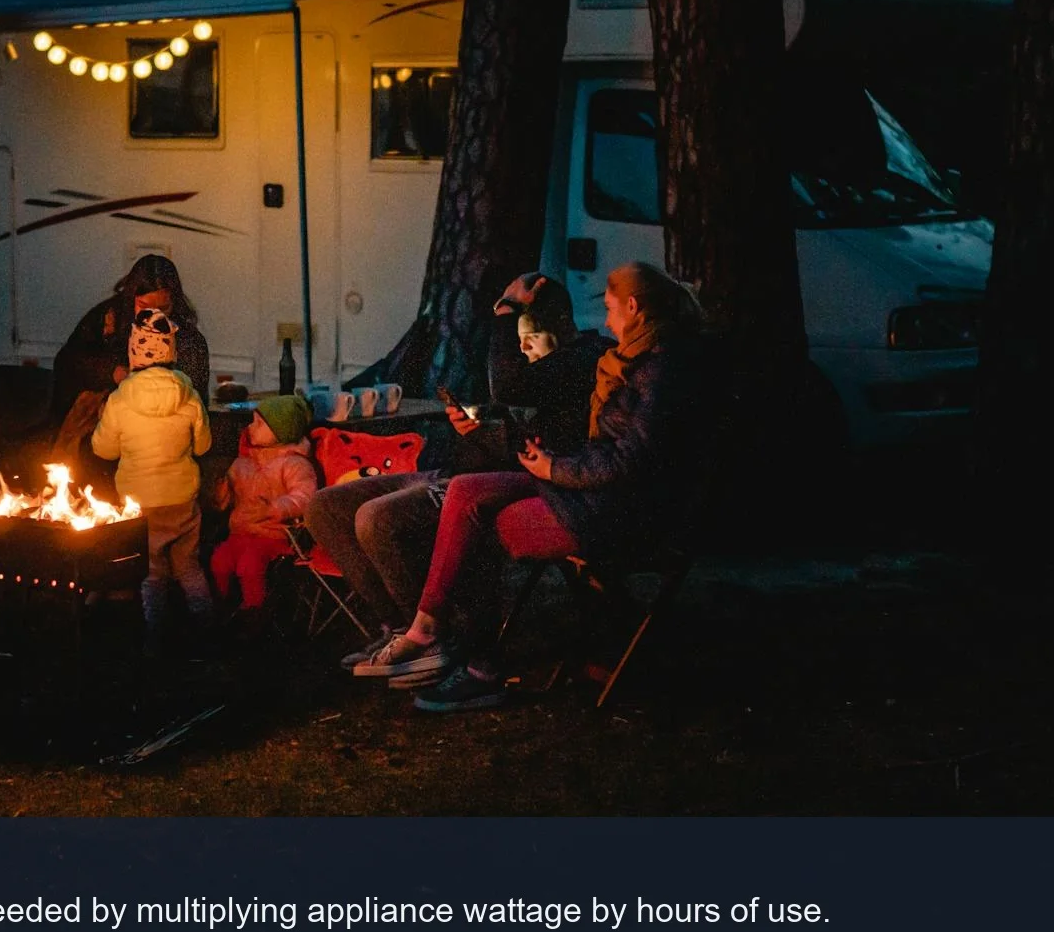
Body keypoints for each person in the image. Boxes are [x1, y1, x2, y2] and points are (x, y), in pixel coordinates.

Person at [350, 262, 703, 713]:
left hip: (618, 514)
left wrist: (554, 468)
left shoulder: (659, 370)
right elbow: (607, 448)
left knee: (476, 518)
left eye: (612, 309)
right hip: (591, 494)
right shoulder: (634, 361)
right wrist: (528, 453)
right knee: (467, 497)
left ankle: (476, 664)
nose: (608, 320)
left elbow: (629, 459)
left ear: (634, 307)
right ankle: (433, 633)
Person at [304, 271, 610, 668]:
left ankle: (435, 635)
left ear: (560, 328)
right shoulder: (544, 367)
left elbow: (511, 393)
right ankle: (397, 627)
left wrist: (504, 311)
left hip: (511, 485)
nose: (519, 348)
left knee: (375, 518)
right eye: (516, 338)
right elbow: (513, 424)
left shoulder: (582, 359)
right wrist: (477, 431)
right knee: (325, 507)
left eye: (527, 339)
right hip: (466, 470)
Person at [91, 305, 214, 656]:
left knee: (153, 573)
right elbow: (203, 446)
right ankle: (207, 630)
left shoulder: (120, 400)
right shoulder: (188, 395)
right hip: (182, 499)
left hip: (140, 503)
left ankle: (155, 638)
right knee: (189, 566)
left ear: (134, 350)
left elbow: (103, 450)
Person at [51, 255, 211, 499]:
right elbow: (68, 361)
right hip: (103, 436)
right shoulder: (107, 319)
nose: (155, 316)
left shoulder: (188, 338)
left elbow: (197, 395)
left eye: (164, 308)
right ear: (131, 297)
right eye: (146, 307)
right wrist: (111, 371)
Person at [209, 394, 317, 636]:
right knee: (219, 560)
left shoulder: (294, 465)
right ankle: (222, 607)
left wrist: (274, 509)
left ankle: (254, 614)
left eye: (259, 423)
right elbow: (223, 503)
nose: (250, 427)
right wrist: (221, 493)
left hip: (273, 535)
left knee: (249, 564)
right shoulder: (243, 463)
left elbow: (305, 498)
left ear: (280, 432)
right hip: (241, 532)